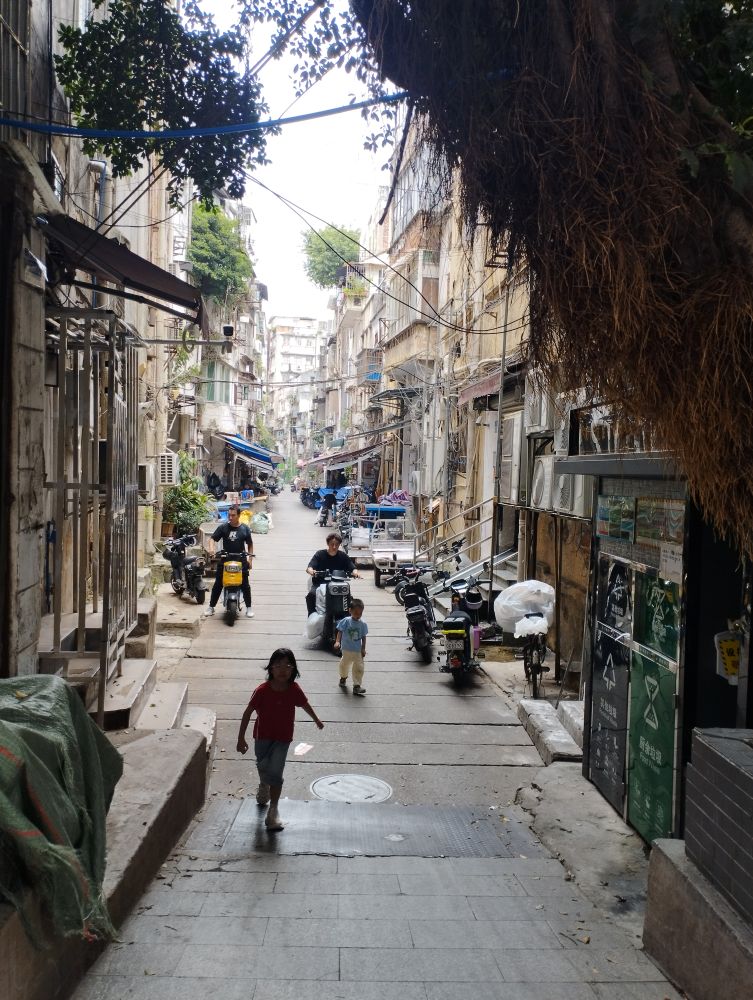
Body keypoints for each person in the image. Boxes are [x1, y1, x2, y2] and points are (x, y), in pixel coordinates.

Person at [236, 648, 324, 830]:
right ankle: (263, 784)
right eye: (278, 665)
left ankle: (273, 811)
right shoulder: (262, 691)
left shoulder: (294, 689)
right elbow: (247, 713)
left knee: (276, 772)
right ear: (271, 668)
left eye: (287, 666)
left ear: (293, 669)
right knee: (263, 765)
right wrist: (241, 738)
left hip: (283, 738)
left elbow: (304, 704)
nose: (283, 669)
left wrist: (316, 719)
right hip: (262, 737)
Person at [206, 505, 254, 618]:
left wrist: (250, 559)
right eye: (229, 515)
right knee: (218, 584)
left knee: (245, 585)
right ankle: (211, 607)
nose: (230, 517)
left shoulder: (245, 529)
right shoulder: (223, 527)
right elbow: (212, 539)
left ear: (239, 515)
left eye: (233, 515)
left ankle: (249, 608)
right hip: (225, 559)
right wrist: (212, 549)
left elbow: (250, 544)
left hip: (241, 560)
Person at [305, 532, 360, 614]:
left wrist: (355, 573)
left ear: (339, 545)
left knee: (349, 597)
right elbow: (310, 567)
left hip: (339, 585)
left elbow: (352, 567)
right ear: (328, 544)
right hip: (320, 584)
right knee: (311, 596)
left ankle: (347, 616)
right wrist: (311, 571)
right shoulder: (320, 554)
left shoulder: (343, 556)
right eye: (332, 544)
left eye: (336, 544)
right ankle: (311, 615)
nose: (334, 547)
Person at [335, 598, 368, 696]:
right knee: (344, 664)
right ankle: (343, 677)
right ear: (350, 610)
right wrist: (337, 641)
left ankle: (357, 686)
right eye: (356, 612)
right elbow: (340, 631)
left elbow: (363, 637)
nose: (358, 615)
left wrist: (363, 648)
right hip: (346, 649)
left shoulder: (363, 624)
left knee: (359, 667)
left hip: (357, 650)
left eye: (360, 613)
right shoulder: (346, 621)